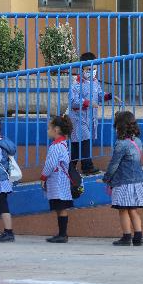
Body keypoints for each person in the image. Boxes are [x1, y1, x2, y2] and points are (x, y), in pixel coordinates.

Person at [102, 111, 143, 246]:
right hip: (138, 181)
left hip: (124, 183)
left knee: (123, 210)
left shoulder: (121, 144)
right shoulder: (138, 141)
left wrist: (107, 178)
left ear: (119, 126)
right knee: (133, 210)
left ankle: (127, 237)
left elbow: (114, 164)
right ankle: (138, 237)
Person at [69, 52, 118, 175]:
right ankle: (87, 166)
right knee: (83, 140)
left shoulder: (95, 82)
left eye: (94, 69)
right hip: (78, 118)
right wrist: (88, 103)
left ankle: (71, 166)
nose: (92, 72)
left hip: (90, 118)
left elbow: (99, 95)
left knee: (77, 143)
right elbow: (73, 101)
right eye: (89, 69)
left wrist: (109, 96)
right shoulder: (76, 84)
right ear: (82, 69)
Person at [41, 115, 74, 243]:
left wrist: (43, 176)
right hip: (61, 182)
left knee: (61, 208)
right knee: (61, 209)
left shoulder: (56, 146)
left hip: (58, 182)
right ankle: (62, 234)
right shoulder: (63, 144)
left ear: (56, 129)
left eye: (49, 128)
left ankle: (62, 234)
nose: (47, 130)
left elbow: (50, 164)